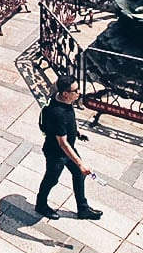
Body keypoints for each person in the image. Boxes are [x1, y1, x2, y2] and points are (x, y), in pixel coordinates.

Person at [35, 74, 102, 221]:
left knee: (79, 174)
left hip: (68, 148)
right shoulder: (57, 113)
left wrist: (76, 132)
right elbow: (63, 143)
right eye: (75, 91)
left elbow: (67, 123)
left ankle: (83, 209)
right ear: (65, 94)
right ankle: (40, 204)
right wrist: (80, 163)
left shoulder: (62, 98)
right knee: (52, 179)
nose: (79, 93)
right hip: (56, 154)